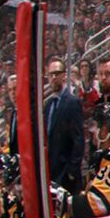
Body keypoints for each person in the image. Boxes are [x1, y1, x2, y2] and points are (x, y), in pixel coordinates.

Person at [42, 58, 83, 195]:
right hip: (52, 172)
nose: (53, 78)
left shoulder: (72, 102)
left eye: (57, 73)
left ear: (64, 75)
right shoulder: (48, 105)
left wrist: (72, 170)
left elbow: (78, 139)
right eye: (50, 74)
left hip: (66, 175)